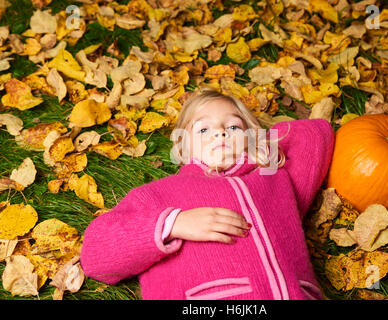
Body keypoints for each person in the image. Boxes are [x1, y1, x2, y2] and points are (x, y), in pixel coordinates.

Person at [80, 88, 335, 300]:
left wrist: (259, 147)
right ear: (183, 146)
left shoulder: (275, 180)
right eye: (203, 130)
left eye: (233, 126)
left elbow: (315, 134)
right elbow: (95, 255)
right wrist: (173, 224)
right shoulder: (160, 194)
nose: (220, 132)